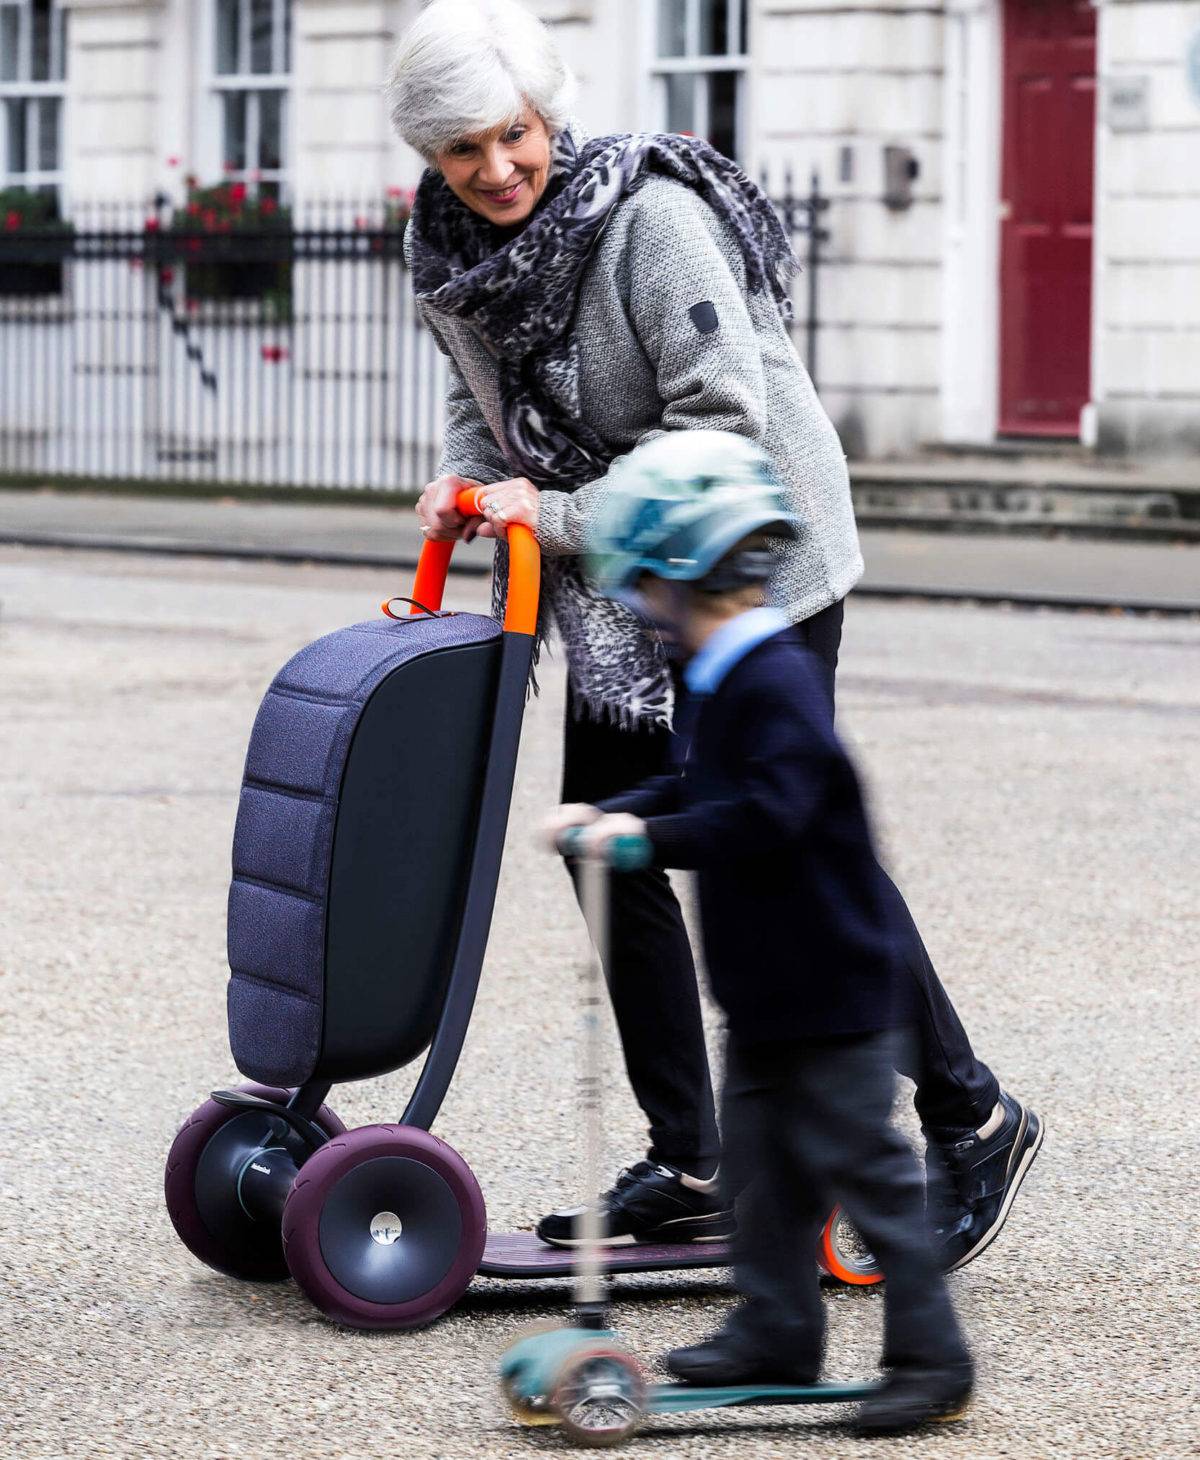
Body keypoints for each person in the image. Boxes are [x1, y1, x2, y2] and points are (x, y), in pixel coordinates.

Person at [387, 0, 1042, 1269]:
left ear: (547, 115)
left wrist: (554, 509)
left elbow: (724, 430)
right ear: (432, 154)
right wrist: (461, 483)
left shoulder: (651, 223)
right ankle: (693, 1160)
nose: (497, 168)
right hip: (615, 587)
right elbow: (483, 405)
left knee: (790, 842)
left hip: (756, 561)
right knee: (611, 850)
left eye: (513, 134)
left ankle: (971, 1113)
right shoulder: (448, 246)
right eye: (464, 148)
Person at [550, 430, 975, 1434]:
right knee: (759, 1170)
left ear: (693, 576)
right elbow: (700, 784)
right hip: (767, 992)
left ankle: (931, 1353)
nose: (645, 609)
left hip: (834, 993)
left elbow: (766, 814)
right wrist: (614, 809)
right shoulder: (711, 675)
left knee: (863, 1168)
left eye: (651, 588)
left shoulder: (775, 681)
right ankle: (777, 1325)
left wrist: (640, 839)